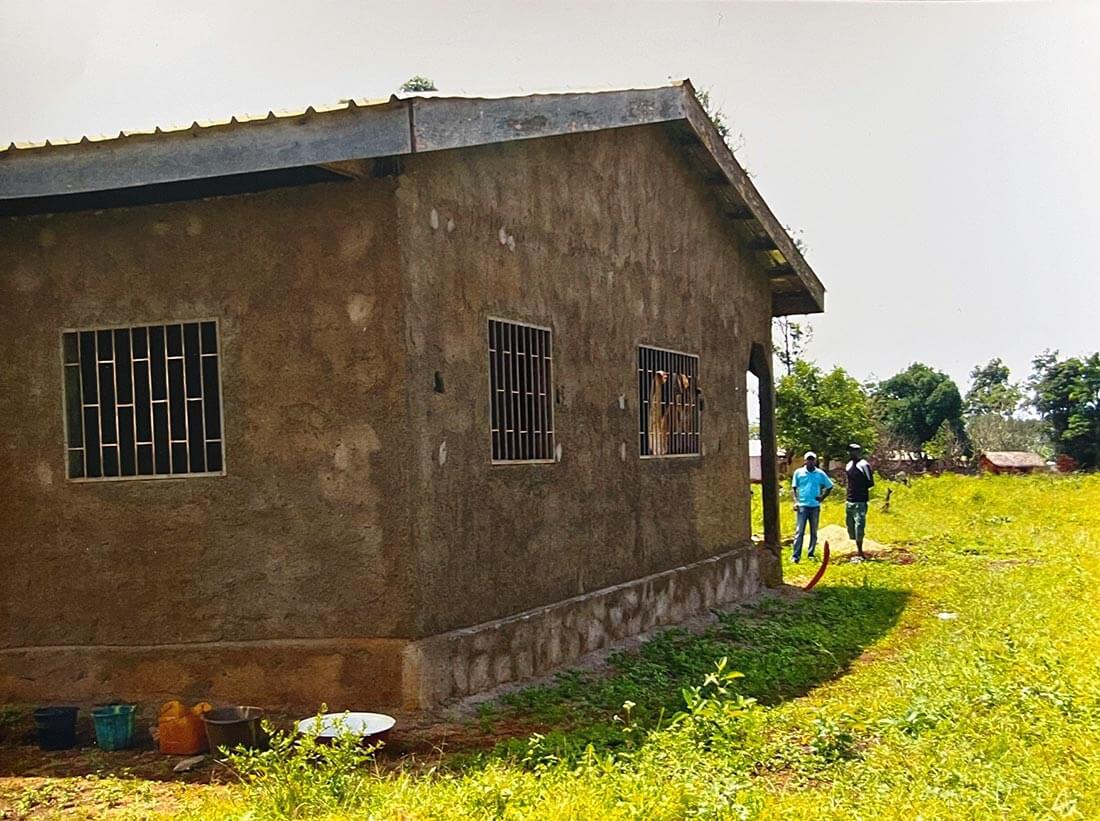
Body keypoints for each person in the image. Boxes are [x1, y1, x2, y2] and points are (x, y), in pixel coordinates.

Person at [791, 451, 833, 563]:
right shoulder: (799, 473)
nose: (810, 461)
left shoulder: (820, 474)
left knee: (814, 532)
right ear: (805, 461)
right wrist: (796, 502)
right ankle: (796, 556)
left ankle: (811, 553)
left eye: (812, 459)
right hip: (802, 506)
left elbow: (829, 486)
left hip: (814, 506)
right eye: (808, 459)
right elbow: (794, 488)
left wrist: (822, 497)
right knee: (799, 531)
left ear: (815, 461)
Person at [844, 443, 874, 560]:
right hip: (849, 500)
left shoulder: (864, 465)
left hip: (860, 501)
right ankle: (855, 548)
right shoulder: (848, 465)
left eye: (854, 451)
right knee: (850, 525)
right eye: (850, 451)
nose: (852, 453)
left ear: (858, 452)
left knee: (859, 525)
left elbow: (870, 482)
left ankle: (860, 551)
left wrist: (860, 491)